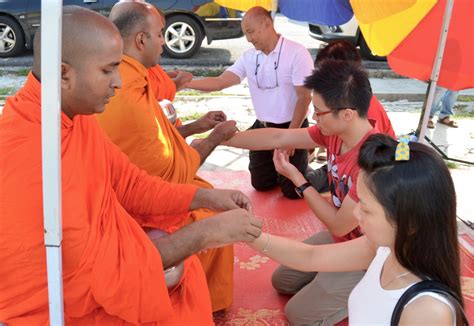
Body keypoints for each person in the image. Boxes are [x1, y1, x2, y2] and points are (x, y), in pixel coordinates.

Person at [0, 6, 262, 325]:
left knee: (188, 264)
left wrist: (206, 198)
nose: (119, 82)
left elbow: (129, 183)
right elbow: (98, 272)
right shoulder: (30, 150)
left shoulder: (68, 114)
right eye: (108, 70)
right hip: (62, 306)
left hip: (105, 259)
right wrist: (204, 234)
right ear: (64, 73)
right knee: (179, 294)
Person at [95, 2, 238, 312]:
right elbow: (163, 180)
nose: (164, 41)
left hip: (128, 190)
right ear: (141, 41)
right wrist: (213, 138)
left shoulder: (136, 80)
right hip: (131, 212)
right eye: (159, 34)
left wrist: (197, 126)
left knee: (210, 197)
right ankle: (205, 305)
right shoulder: (127, 93)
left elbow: (162, 140)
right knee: (214, 217)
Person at [225, 59, 380, 325]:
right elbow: (278, 138)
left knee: (299, 315)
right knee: (282, 281)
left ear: (347, 114)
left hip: (370, 252)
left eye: (319, 112)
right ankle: (335, 280)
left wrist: (298, 178)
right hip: (342, 238)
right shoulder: (334, 133)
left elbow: (339, 224)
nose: (315, 117)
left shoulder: (373, 163)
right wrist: (220, 139)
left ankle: (374, 289)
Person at [249, 133, 462, 324]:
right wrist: (250, 235)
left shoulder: (427, 312)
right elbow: (310, 257)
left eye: (366, 210)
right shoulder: (385, 249)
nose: (356, 213)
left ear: (410, 223)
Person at [186, 6, 314, 199]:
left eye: (251, 31)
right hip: (262, 127)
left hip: (292, 126)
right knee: (261, 185)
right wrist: (186, 84)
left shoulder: (297, 52)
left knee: (293, 192)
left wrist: (290, 137)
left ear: (267, 24)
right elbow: (220, 82)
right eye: (246, 33)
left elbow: (305, 97)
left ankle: (314, 170)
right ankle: (291, 164)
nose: (248, 38)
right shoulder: (249, 57)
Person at [307, 40, 396, 193]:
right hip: (340, 164)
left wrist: (299, 181)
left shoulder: (365, 113)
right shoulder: (339, 106)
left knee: (298, 185)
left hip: (362, 172)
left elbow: (373, 162)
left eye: (325, 73)